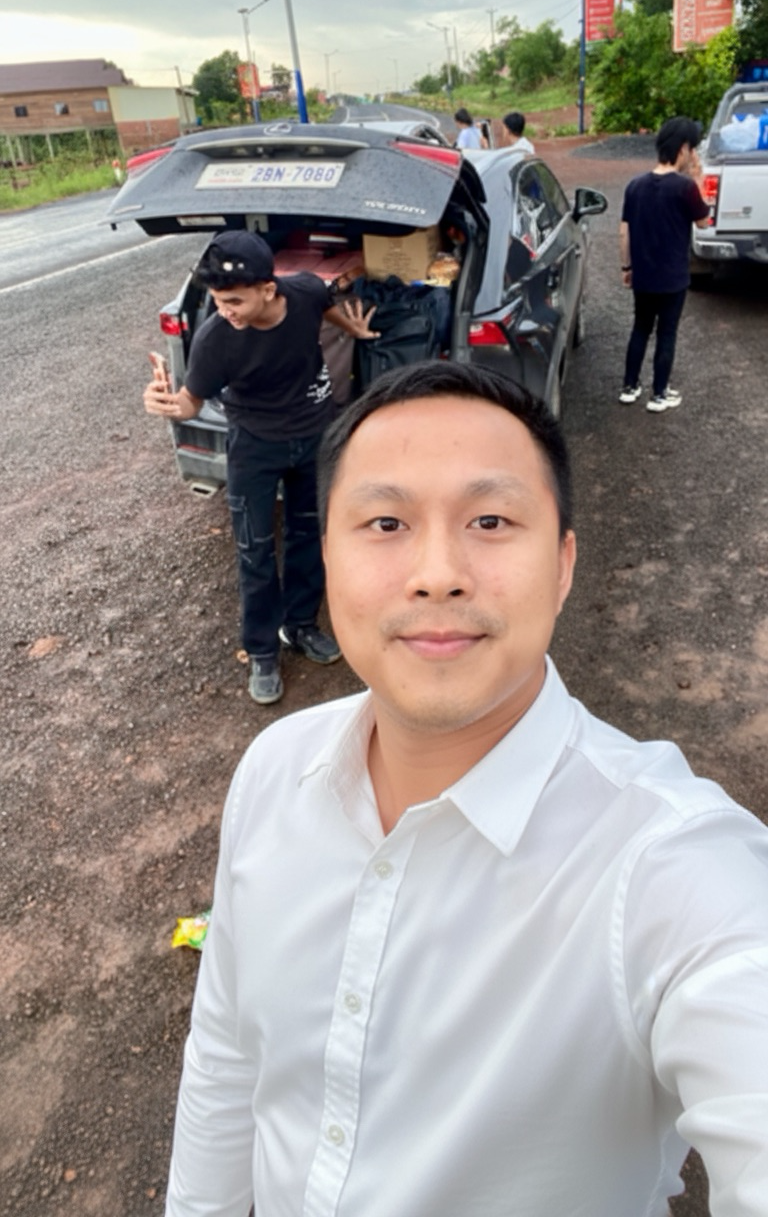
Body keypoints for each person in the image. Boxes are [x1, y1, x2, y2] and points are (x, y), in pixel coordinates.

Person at [164, 359, 768, 1217]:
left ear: (563, 564)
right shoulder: (273, 768)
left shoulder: (670, 871)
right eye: (385, 522)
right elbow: (227, 1052)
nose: (438, 572)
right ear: (326, 556)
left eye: (490, 520)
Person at [143, 230, 377, 705]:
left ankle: (300, 625)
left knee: (308, 535)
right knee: (255, 551)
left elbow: (323, 306)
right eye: (216, 300)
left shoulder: (305, 291)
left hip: (313, 437)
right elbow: (190, 402)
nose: (223, 310)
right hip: (255, 447)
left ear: (269, 289)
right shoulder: (216, 339)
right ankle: (263, 650)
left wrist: (348, 329)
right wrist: (165, 404)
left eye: (233, 300)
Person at [619, 115, 709, 412]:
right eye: (692, 149)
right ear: (683, 149)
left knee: (640, 328)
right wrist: (699, 179)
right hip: (673, 277)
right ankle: (659, 394)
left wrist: (626, 267)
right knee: (667, 333)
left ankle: (629, 386)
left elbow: (624, 231)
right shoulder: (685, 188)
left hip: (643, 275)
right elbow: (703, 221)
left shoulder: (635, 186)